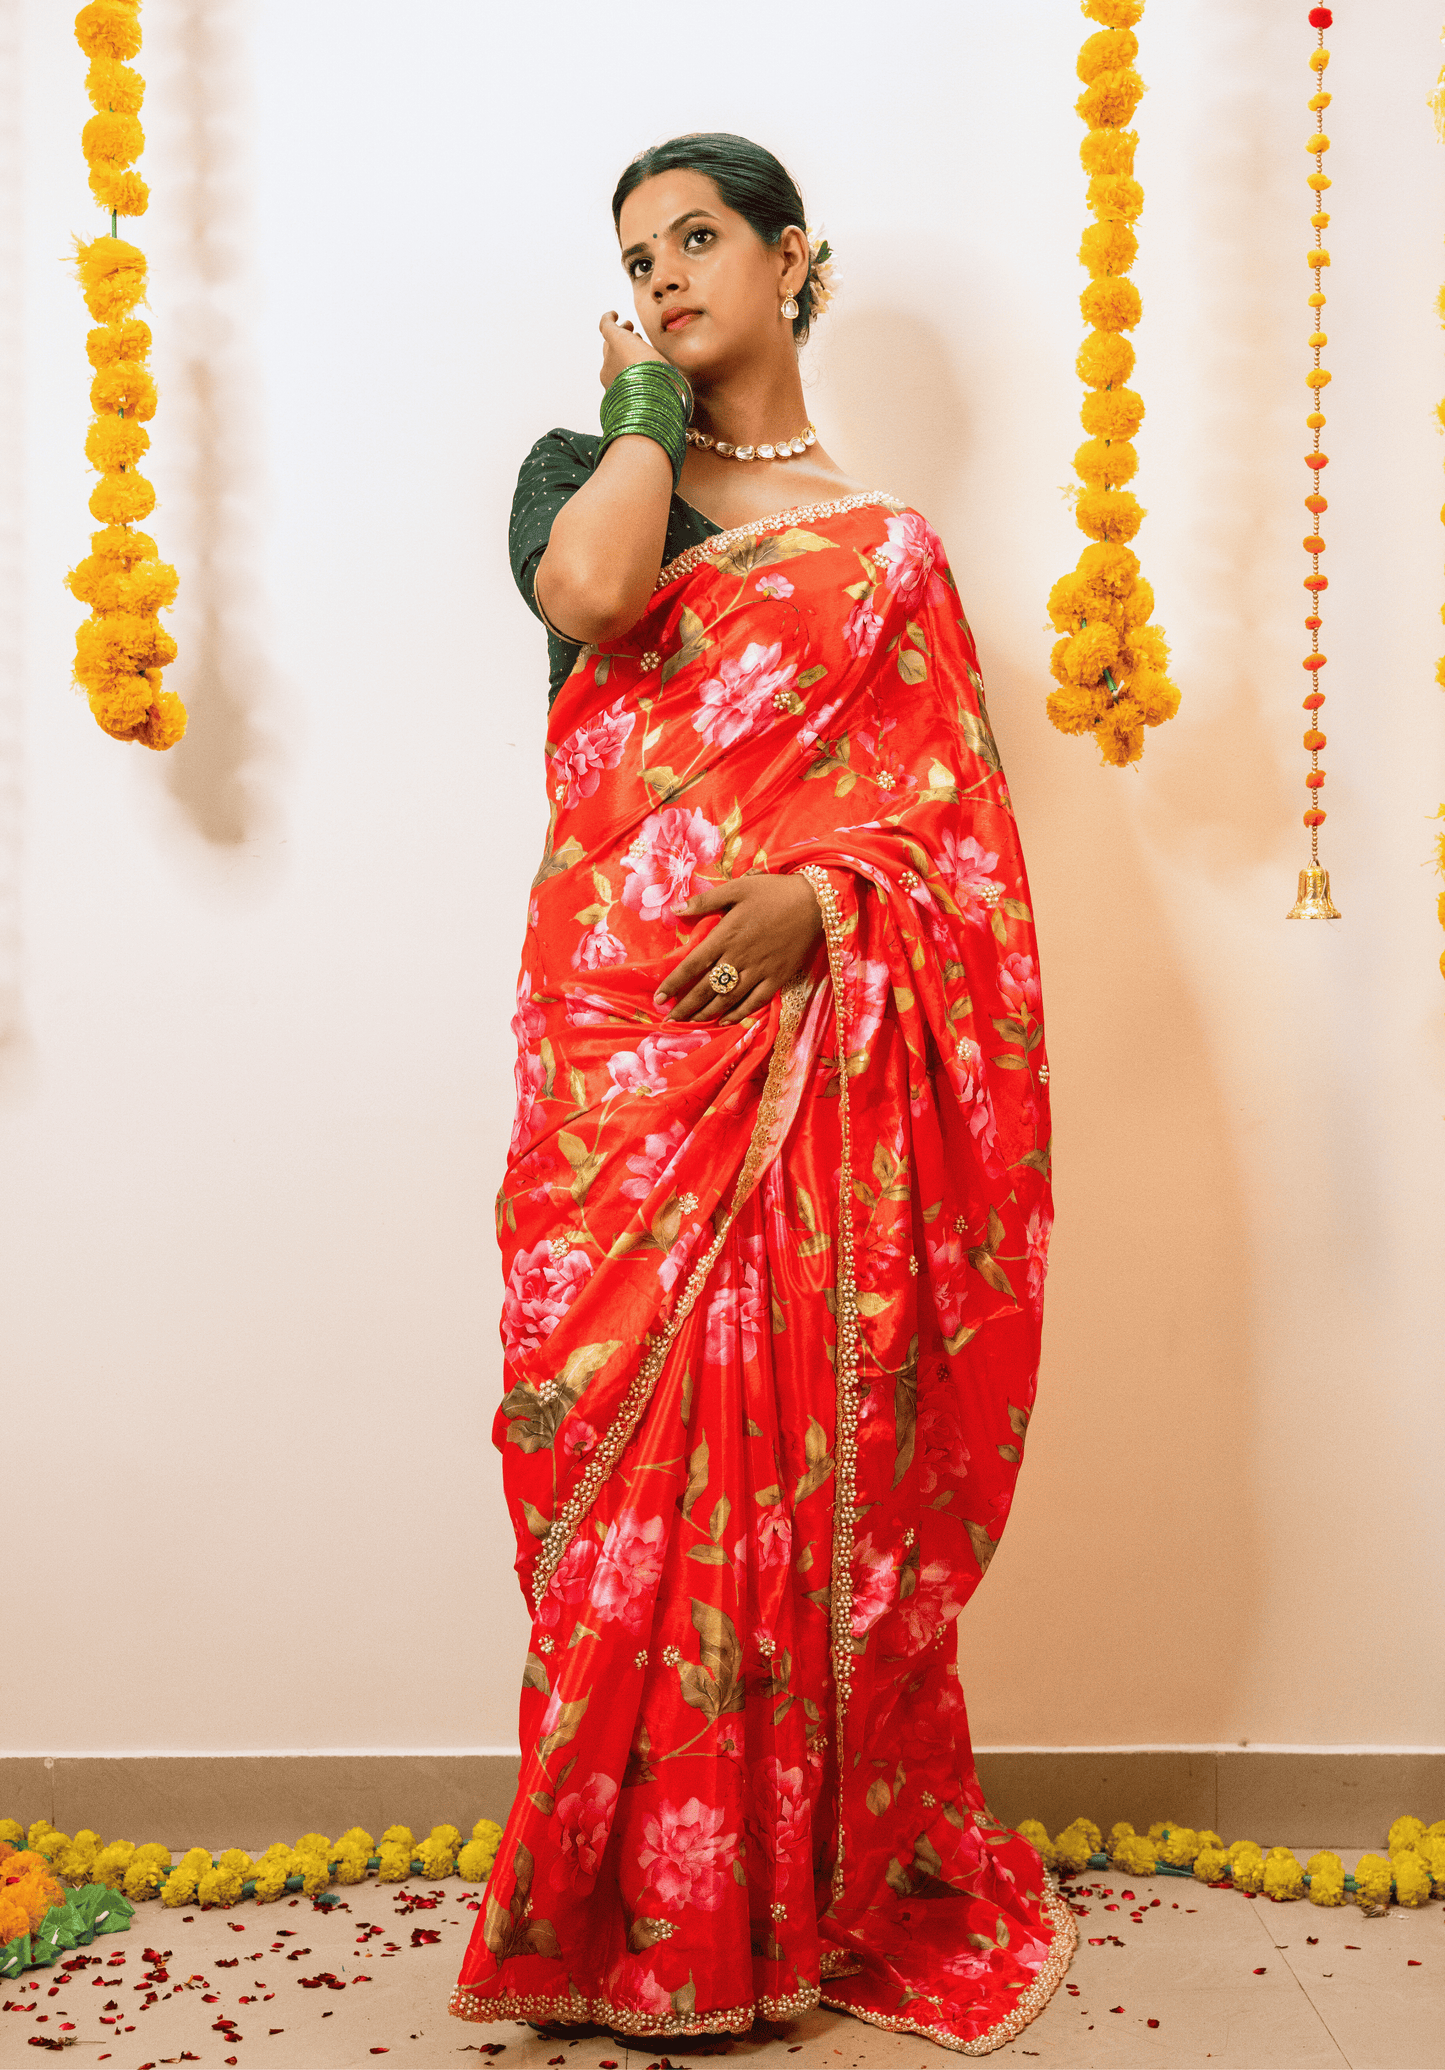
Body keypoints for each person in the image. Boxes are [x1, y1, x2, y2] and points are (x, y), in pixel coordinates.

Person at [451, 132, 1074, 2056]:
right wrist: (642, 404)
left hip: (801, 1081)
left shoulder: (888, 548)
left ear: (796, 259)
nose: (663, 272)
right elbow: (596, 590)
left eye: (699, 239)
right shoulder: (590, 477)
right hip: (623, 1074)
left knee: (796, 1458)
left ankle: (767, 1906)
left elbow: (957, 849)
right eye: (635, 256)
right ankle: (612, 1905)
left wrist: (830, 895)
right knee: (599, 1458)